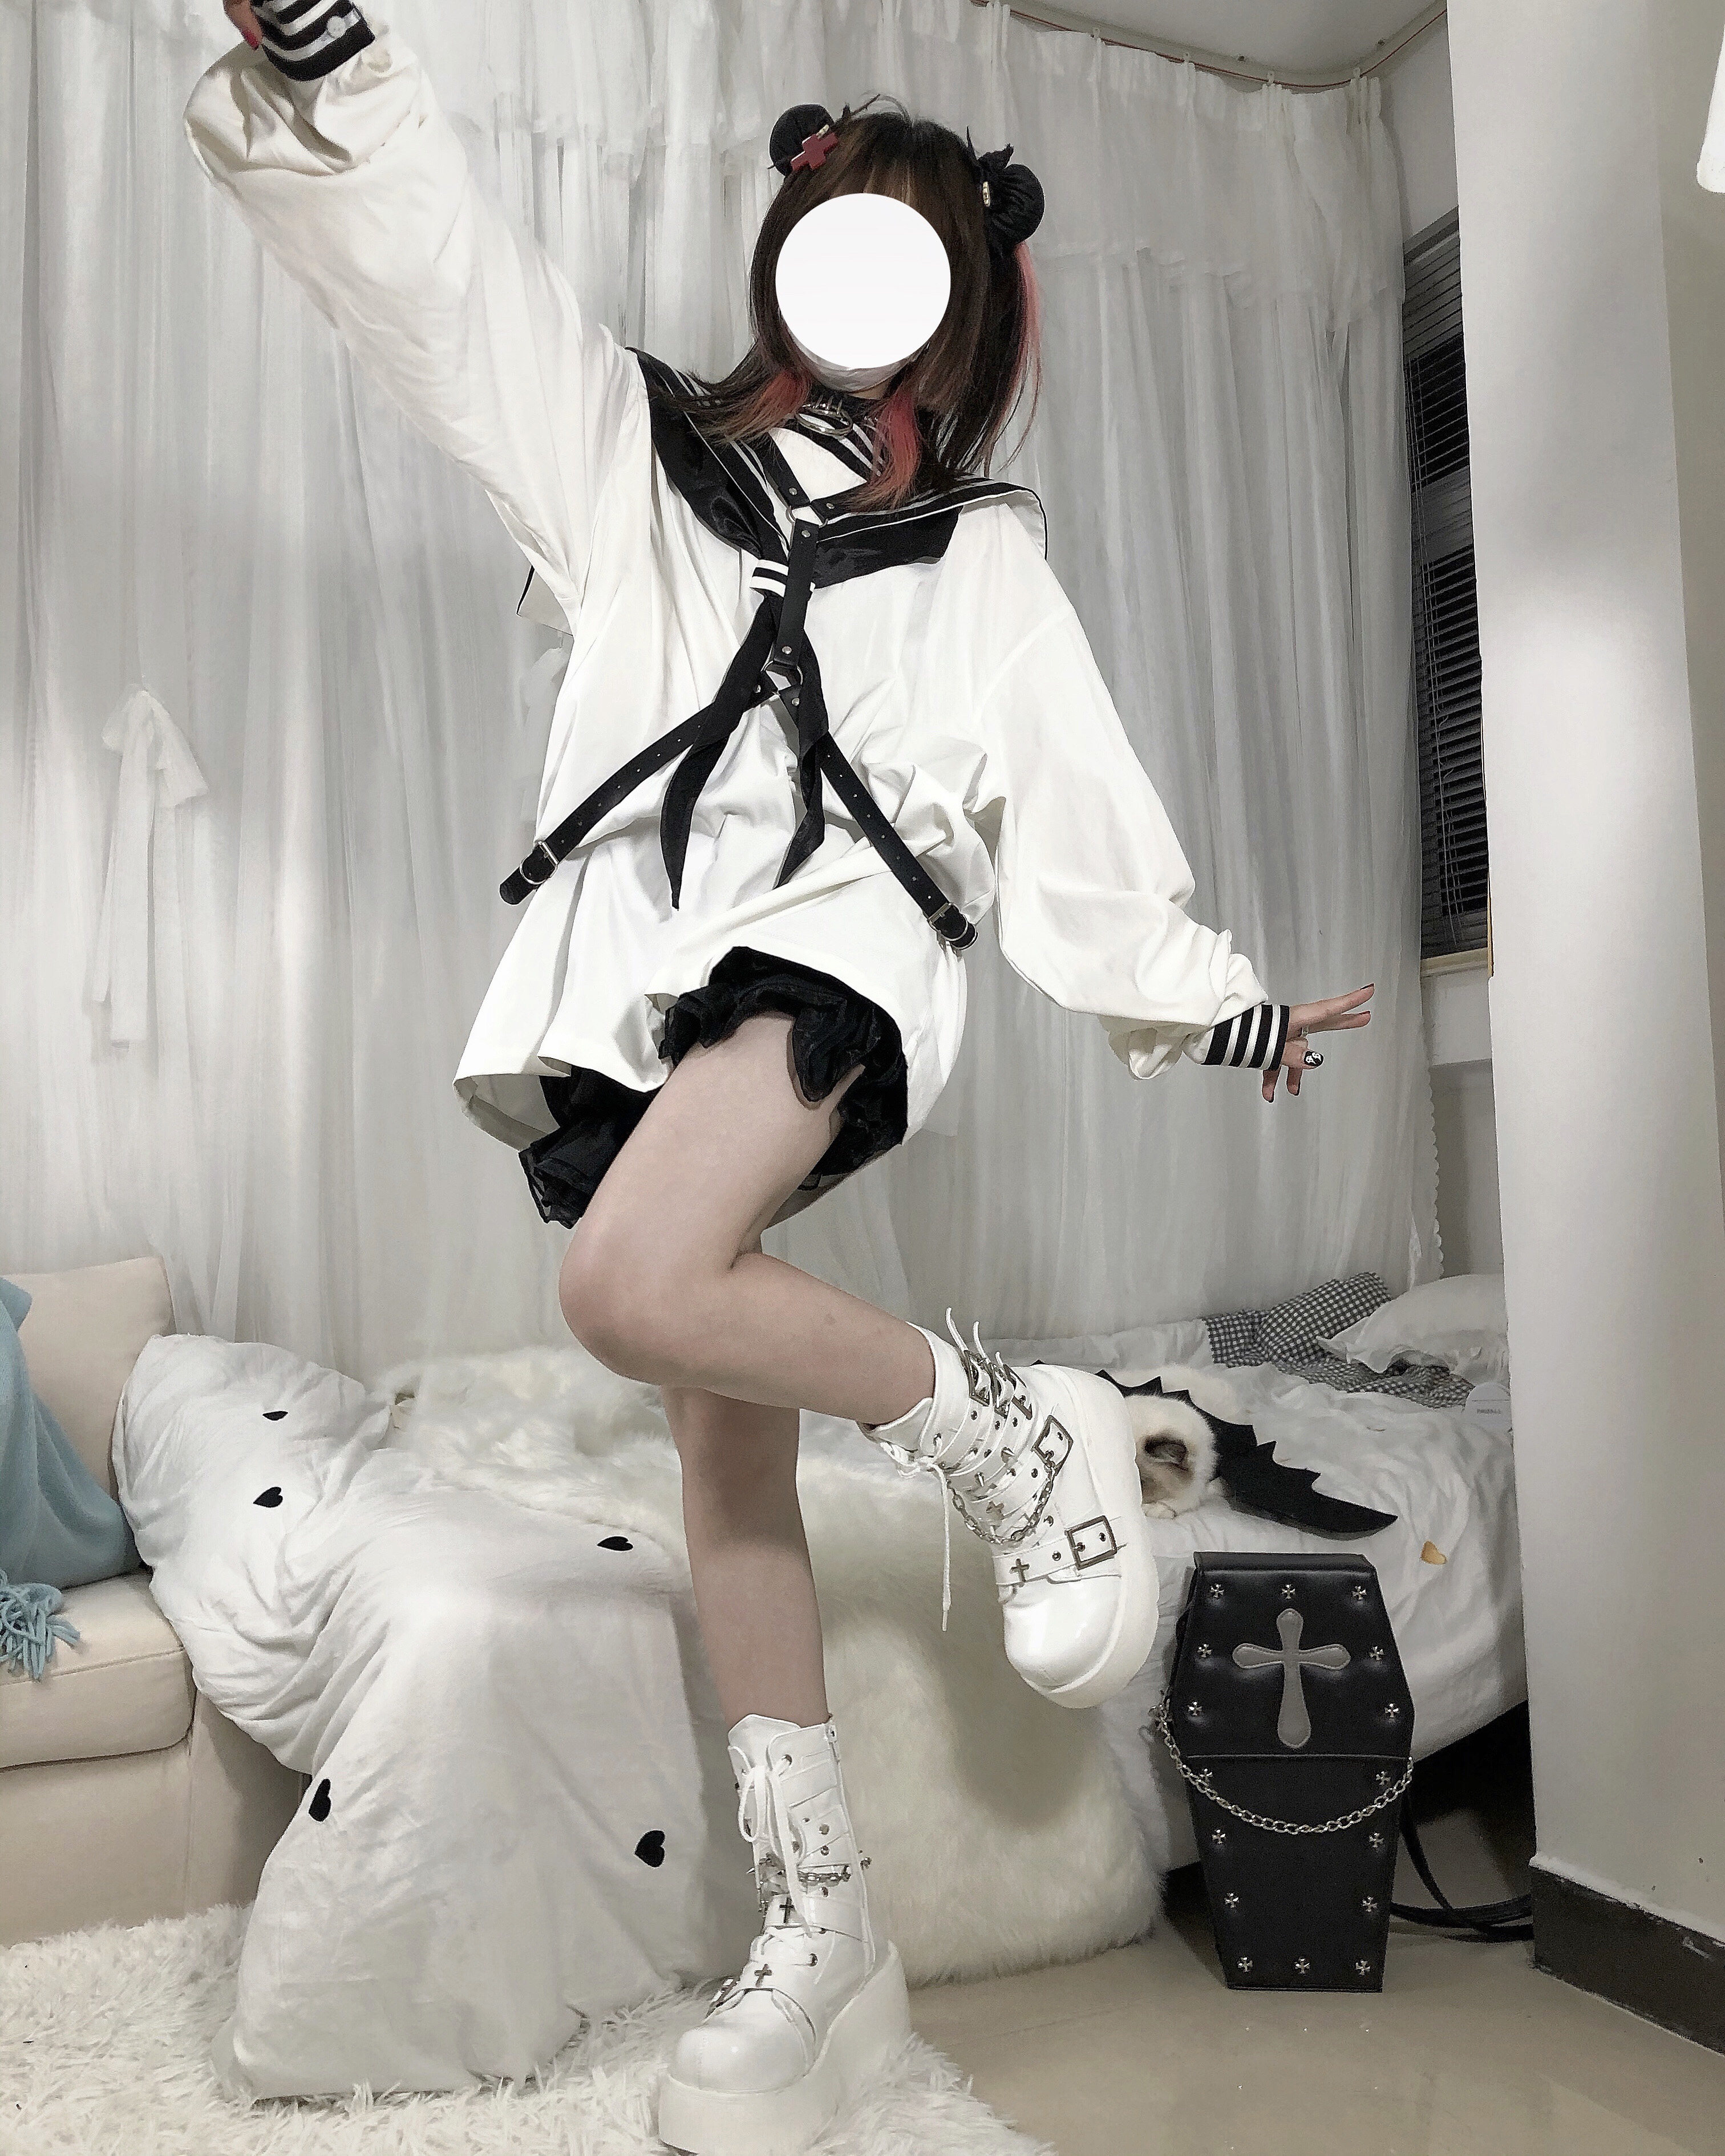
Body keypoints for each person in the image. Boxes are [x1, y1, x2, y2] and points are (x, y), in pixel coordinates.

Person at [187, 8, 1372, 2149]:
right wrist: (335, 76)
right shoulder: (638, 458)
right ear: (790, 247)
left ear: (961, 307)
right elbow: (454, 285)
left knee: (624, 1279)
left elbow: (1077, 812)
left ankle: (1017, 1425)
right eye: (845, 227)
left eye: (917, 248)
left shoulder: (982, 554)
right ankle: (824, 1937)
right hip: (652, 980)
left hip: (834, 957)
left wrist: (1223, 1006)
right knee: (720, 1454)